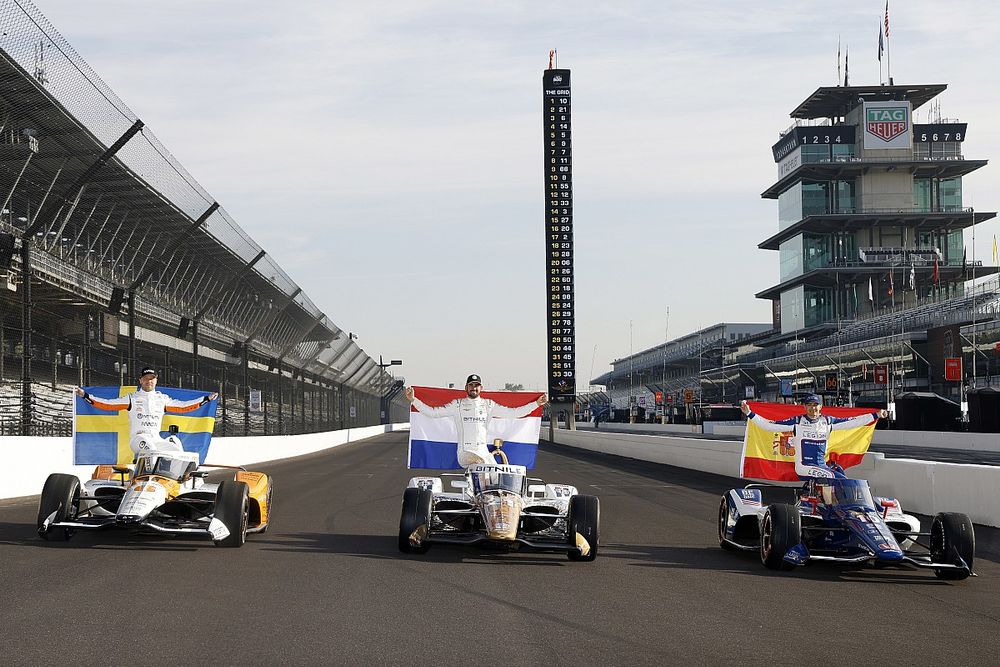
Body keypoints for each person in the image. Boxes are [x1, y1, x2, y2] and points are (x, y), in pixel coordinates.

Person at [405, 374, 548, 467]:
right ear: (466, 387)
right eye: (471, 385)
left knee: (502, 475)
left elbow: (515, 413)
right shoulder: (457, 404)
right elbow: (432, 413)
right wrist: (413, 400)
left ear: (481, 388)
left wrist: (536, 404)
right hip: (466, 453)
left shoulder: (489, 405)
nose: (474, 388)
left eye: (476, 385)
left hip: (484, 453)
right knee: (481, 469)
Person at [75, 367, 218, 455]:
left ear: (156, 380)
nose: (149, 381)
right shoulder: (131, 398)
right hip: (138, 439)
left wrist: (206, 399)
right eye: (145, 378)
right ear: (140, 380)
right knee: (151, 450)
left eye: (152, 378)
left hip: (156, 439)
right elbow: (107, 405)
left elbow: (184, 406)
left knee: (176, 451)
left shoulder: (162, 399)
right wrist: (86, 396)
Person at [740, 394, 887, 479]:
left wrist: (875, 415)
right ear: (804, 407)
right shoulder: (797, 422)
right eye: (809, 405)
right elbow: (769, 425)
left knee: (840, 472)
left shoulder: (828, 422)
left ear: (821, 407)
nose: (812, 408)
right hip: (804, 467)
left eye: (815, 405)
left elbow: (854, 422)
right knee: (834, 478)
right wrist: (749, 414)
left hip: (821, 466)